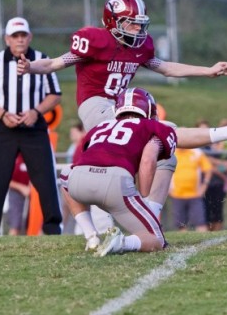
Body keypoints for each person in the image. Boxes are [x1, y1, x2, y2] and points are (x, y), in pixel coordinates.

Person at [17, 0, 227, 245]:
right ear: (112, 21)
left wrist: (208, 71)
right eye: (131, 22)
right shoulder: (94, 40)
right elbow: (54, 64)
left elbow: (167, 68)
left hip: (120, 107)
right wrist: (30, 68)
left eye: (140, 22)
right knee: (162, 130)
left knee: (165, 151)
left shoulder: (142, 46)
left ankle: (151, 212)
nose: (138, 28)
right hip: (95, 104)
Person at [60, 87, 177, 256]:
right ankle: (122, 242)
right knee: (156, 239)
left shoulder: (101, 126)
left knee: (66, 174)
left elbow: (84, 158)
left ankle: (91, 235)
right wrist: (143, 197)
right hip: (114, 184)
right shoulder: (151, 125)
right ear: (149, 110)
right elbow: (147, 160)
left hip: (79, 181)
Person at [0, 17, 62, 236]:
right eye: (15, 36)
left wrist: (36, 112)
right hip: (4, 129)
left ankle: (52, 228)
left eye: (23, 35)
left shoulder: (42, 60)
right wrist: (2, 114)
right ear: (7, 39)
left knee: (45, 178)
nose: (20, 40)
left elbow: (55, 95)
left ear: (30, 37)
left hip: (34, 128)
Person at [198, 119, 227, 231]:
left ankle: (217, 234)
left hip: (218, 183)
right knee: (206, 212)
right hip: (205, 183)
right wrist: (219, 165)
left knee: (218, 211)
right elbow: (205, 160)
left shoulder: (220, 146)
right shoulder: (198, 148)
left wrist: (221, 167)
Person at [169, 145, 213, 232]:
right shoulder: (170, 154)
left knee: (200, 223)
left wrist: (204, 185)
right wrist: (167, 189)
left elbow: (208, 169)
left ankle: (204, 241)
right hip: (177, 194)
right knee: (181, 225)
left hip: (195, 195)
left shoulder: (196, 153)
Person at [6, 153, 31, 236]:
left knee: (31, 224)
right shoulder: (14, 157)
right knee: (16, 225)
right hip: (16, 193)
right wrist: (22, 188)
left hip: (32, 194)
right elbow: (6, 180)